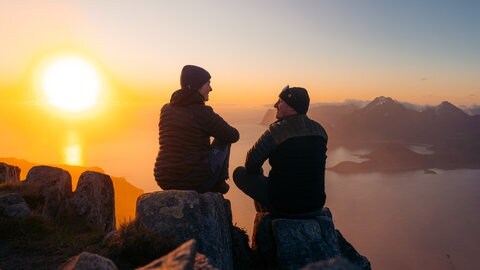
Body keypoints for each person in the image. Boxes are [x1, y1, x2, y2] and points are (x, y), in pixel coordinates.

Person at [233, 85, 328, 217]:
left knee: (239, 173)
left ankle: (265, 214)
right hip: (315, 206)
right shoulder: (321, 131)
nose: (275, 104)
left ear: (291, 107)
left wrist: (259, 174)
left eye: (281, 101)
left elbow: (251, 163)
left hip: (285, 207)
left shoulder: (277, 131)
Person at [154, 65, 239, 194]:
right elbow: (233, 135)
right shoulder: (202, 112)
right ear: (197, 85)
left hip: (164, 179)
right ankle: (218, 183)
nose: (211, 88)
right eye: (208, 83)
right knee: (224, 139)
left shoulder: (165, 110)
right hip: (196, 181)